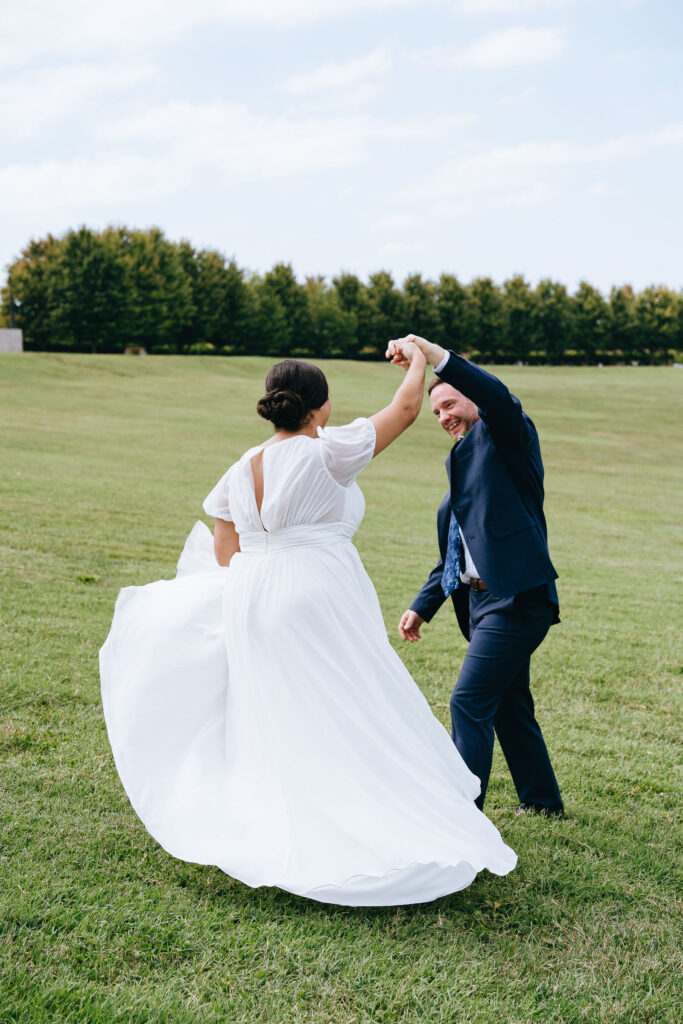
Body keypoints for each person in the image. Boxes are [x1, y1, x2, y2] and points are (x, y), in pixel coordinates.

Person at [100, 344, 516, 907]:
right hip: (315, 593)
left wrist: (266, 573)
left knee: (278, 715)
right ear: (319, 408)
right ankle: (365, 831)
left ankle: (286, 824)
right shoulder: (326, 449)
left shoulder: (241, 466)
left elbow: (226, 550)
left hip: (251, 597)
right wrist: (419, 358)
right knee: (352, 706)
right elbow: (404, 411)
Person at [390, 335, 564, 818]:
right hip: (482, 604)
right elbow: (455, 550)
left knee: (468, 701)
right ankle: (543, 802)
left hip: (516, 598)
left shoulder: (506, 435)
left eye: (450, 404)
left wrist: (431, 353)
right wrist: (422, 606)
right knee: (509, 704)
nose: (443, 416)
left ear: (472, 400)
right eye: (436, 413)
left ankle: (461, 815)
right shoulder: (460, 464)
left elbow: (496, 396)